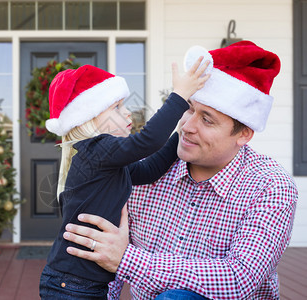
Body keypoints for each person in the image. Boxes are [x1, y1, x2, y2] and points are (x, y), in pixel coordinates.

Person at [63, 40, 298, 299]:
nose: (186, 126)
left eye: (207, 119)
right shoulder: (144, 172)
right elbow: (106, 257)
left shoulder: (270, 186)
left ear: (244, 134)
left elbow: (239, 278)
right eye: (188, 108)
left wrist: (127, 260)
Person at [39, 60, 210, 299]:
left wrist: (181, 133)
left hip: (83, 283)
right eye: (117, 107)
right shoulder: (96, 150)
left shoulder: (107, 164)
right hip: (71, 284)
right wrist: (179, 96)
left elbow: (150, 169)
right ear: (89, 119)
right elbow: (147, 142)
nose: (128, 111)